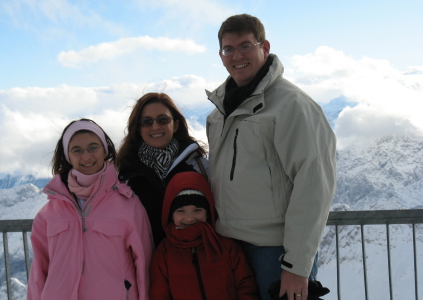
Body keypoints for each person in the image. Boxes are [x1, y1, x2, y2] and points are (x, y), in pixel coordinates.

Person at [205, 14, 337, 300]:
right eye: (229, 49)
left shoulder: (292, 106)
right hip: (229, 248)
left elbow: (314, 185)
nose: (236, 56)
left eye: (245, 46)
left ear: (264, 47)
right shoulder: (218, 114)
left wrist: (297, 265)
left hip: (274, 253)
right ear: (220, 55)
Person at [27, 118, 153, 300]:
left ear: (105, 150)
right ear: (68, 156)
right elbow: (39, 271)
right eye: (77, 150)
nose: (86, 156)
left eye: (93, 147)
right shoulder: (49, 213)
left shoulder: (128, 204)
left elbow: (144, 265)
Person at [116, 92, 208, 247]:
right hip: (147, 264)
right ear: (138, 129)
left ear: (176, 125)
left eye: (163, 119)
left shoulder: (200, 167)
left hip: (196, 262)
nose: (155, 126)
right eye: (146, 122)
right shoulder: (125, 177)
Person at [150, 171, 259, 300]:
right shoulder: (163, 253)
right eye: (181, 211)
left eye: (197, 210)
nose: (189, 218)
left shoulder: (227, 246)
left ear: (208, 213)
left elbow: (245, 285)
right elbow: (159, 294)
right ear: (170, 214)